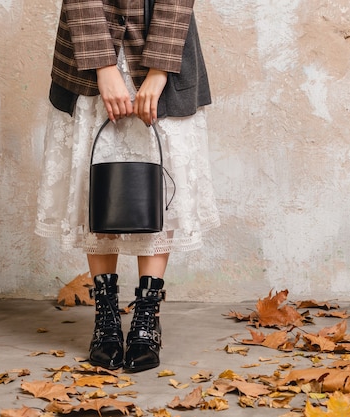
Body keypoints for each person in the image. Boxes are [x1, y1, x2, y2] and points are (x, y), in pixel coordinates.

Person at [35, 0, 219, 373]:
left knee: (158, 183)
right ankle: (106, 318)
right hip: (90, 52)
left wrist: (159, 69)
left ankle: (146, 317)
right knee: (98, 179)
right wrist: (102, 66)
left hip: (160, 46)